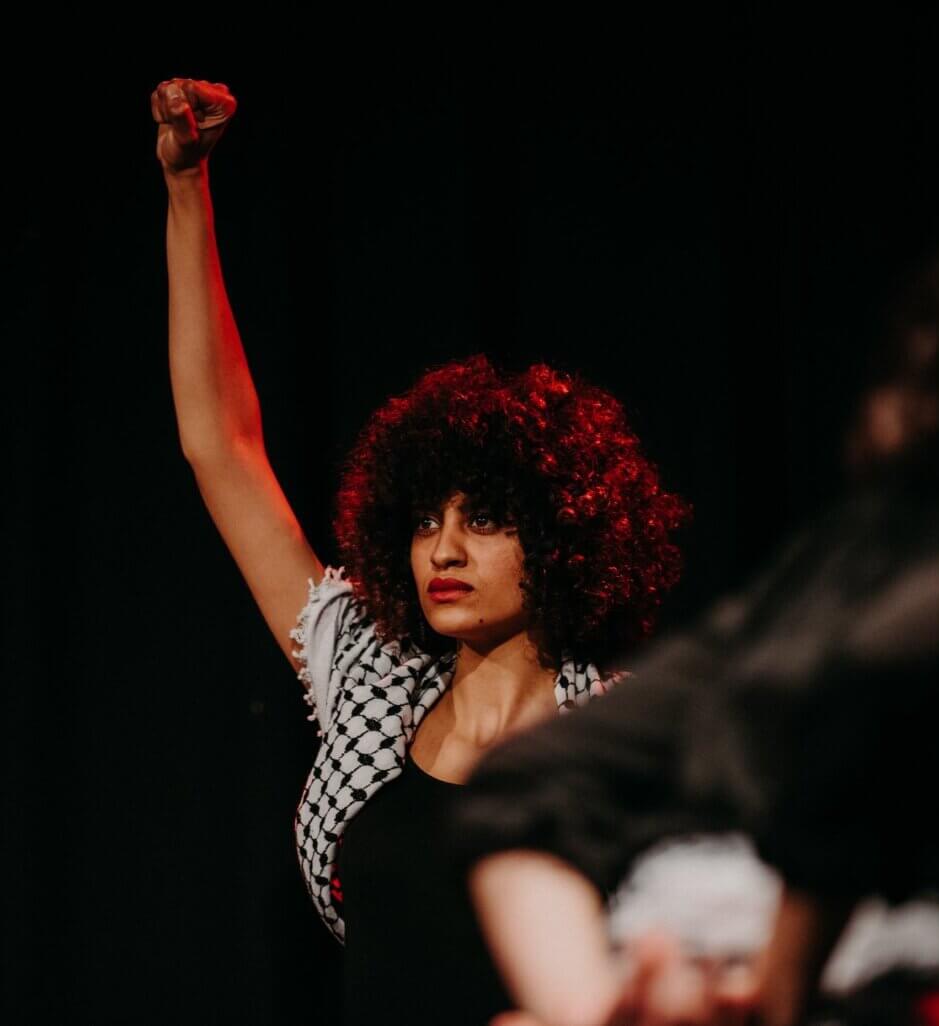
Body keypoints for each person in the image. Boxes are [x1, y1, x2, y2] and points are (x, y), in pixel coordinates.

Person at [452, 75, 939, 1026]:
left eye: (485, 519)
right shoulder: (884, 535)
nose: (446, 549)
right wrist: (589, 1010)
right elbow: (529, 788)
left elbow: (886, 695)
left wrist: (782, 979)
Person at [153, 78, 689, 1025]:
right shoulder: (371, 678)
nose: (442, 547)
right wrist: (188, 189)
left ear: (560, 535)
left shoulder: (627, 743)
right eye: (424, 520)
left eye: (483, 520)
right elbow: (221, 447)